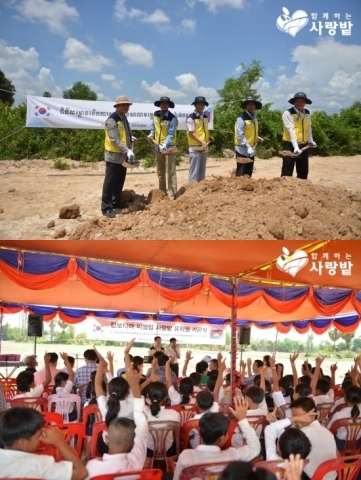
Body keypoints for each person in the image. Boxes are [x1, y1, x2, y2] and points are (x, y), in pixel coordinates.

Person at [173, 397, 261, 480]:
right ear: (223, 437)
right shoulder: (233, 455)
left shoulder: (186, 456)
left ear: (200, 433)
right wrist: (242, 420)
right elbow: (255, 448)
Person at [85, 365, 149, 479]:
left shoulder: (92, 467)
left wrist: (102, 365)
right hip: (128, 439)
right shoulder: (136, 463)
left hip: (104, 446)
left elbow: (97, 384)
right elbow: (142, 426)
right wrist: (134, 385)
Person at [0, 406, 87, 480]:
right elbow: (81, 473)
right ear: (21, 444)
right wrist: (60, 442)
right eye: (38, 436)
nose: (41, 438)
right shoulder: (41, 465)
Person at [101, 95, 135, 218]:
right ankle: (106, 207)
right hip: (113, 155)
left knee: (120, 180)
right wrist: (127, 149)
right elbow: (114, 139)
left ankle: (116, 202)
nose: (126, 107)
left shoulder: (124, 118)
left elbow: (124, 134)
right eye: (123, 105)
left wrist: (130, 139)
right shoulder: (112, 120)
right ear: (117, 106)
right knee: (110, 182)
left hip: (122, 156)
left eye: (127, 105)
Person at [147, 96, 178, 199]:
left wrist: (165, 144)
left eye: (166, 103)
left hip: (169, 148)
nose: (164, 105)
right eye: (162, 103)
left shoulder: (172, 118)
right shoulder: (156, 115)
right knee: (160, 172)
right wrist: (151, 134)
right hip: (157, 147)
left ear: (168, 105)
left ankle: (172, 195)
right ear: (160, 105)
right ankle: (162, 193)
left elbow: (170, 133)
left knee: (171, 172)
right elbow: (153, 127)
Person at [281, 92, 316, 180]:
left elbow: (308, 127)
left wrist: (310, 140)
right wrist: (296, 147)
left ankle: (302, 190)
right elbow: (291, 130)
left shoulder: (307, 113)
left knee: (303, 170)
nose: (300, 103)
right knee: (287, 170)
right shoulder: (288, 113)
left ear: (305, 103)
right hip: (290, 145)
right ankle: (284, 190)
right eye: (297, 101)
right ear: (294, 102)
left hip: (303, 144)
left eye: (302, 101)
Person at [186, 96, 214, 182]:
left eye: (202, 104)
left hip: (204, 146)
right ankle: (192, 189)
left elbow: (204, 131)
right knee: (194, 170)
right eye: (199, 104)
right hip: (195, 147)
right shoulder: (191, 118)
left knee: (202, 169)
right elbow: (192, 132)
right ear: (195, 105)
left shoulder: (205, 117)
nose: (201, 106)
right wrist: (201, 141)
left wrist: (208, 137)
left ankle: (200, 188)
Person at [234, 96, 263, 178]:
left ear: (255, 106)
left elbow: (250, 132)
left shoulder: (254, 118)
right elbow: (239, 134)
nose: (251, 106)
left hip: (251, 149)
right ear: (246, 106)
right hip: (242, 149)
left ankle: (247, 188)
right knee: (241, 172)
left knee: (248, 172)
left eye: (252, 104)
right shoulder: (241, 118)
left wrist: (257, 137)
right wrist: (247, 146)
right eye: (249, 104)